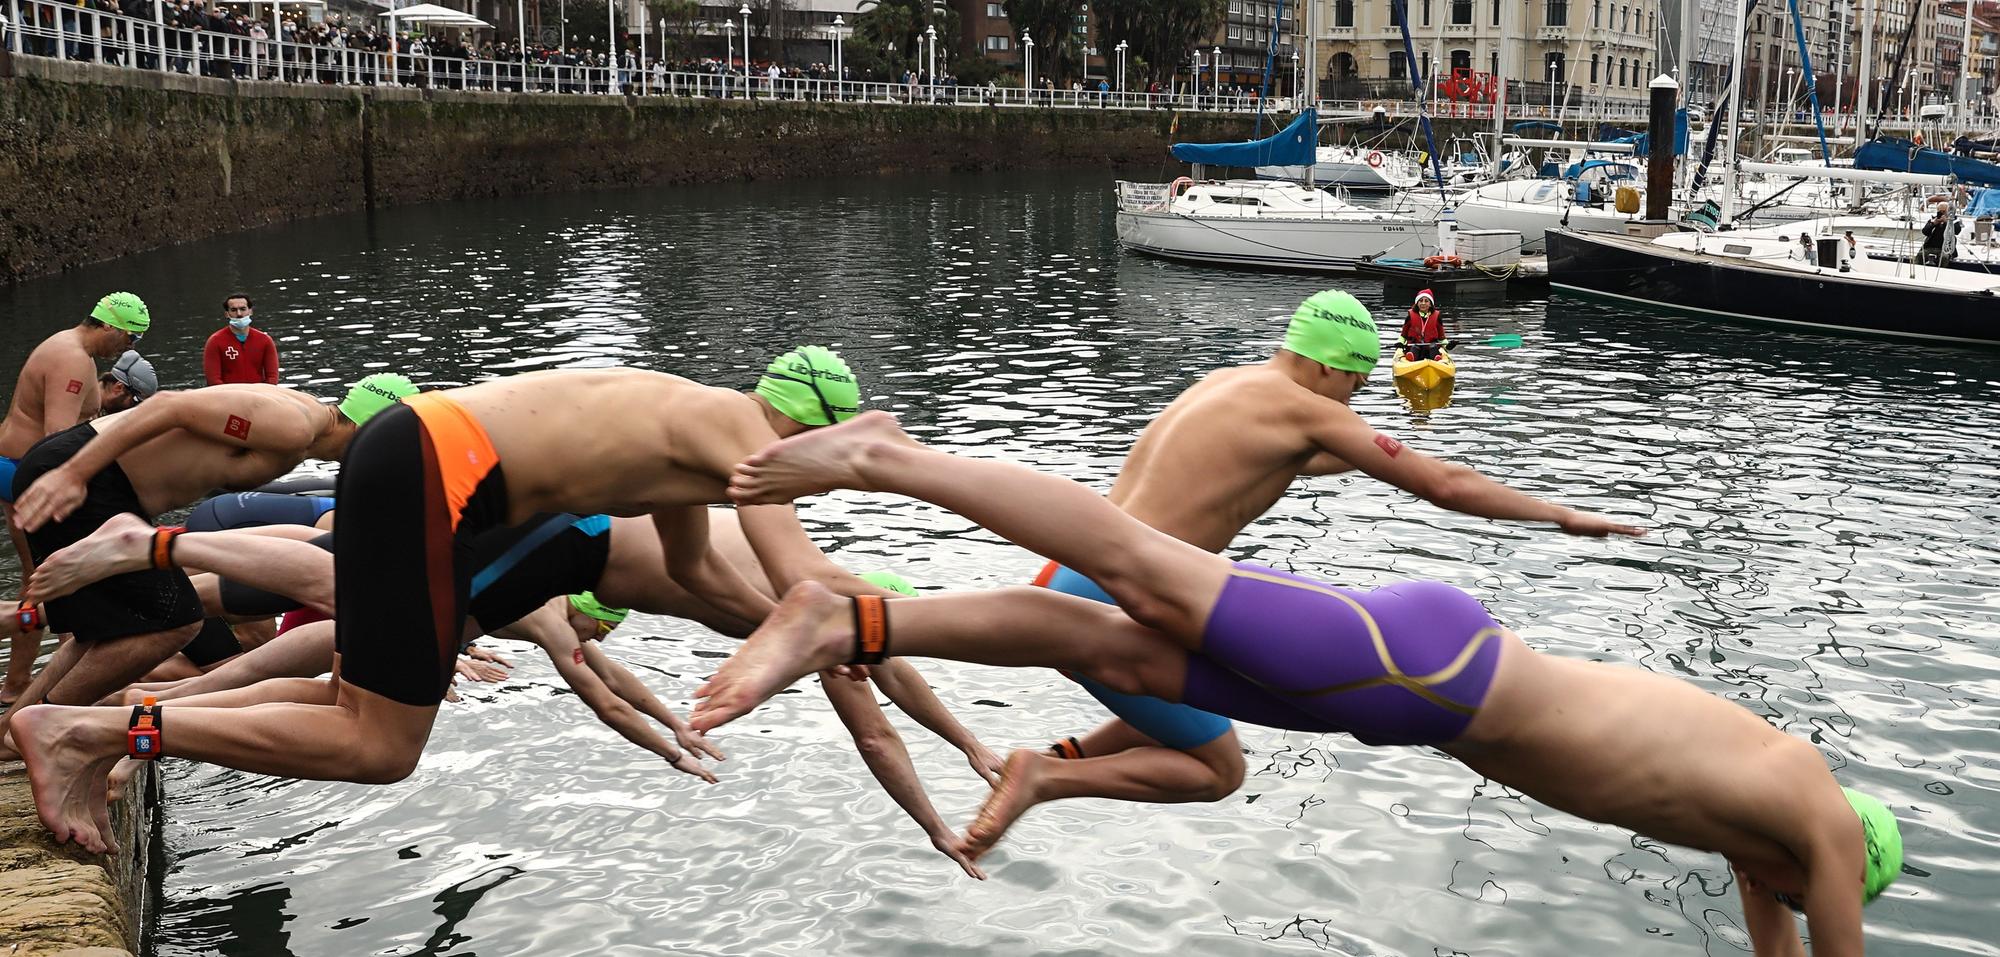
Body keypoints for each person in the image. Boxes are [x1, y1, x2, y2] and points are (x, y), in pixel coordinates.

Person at [691, 411, 1904, 954]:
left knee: (1098, 640)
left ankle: (848, 618)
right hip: (1425, 668)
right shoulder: (1810, 813)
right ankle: (888, 460)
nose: (1780, 902)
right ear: (1839, 858)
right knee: (1130, 565)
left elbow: (1779, 941)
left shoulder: (1762, 843)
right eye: (1803, 890)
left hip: (1400, 702)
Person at [8, 351, 980, 858]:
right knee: (372, 734)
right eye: (818, 465)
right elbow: (800, 590)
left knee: (360, 700)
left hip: (432, 462)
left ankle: (99, 727)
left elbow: (703, 581)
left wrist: (799, 645)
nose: (804, 490)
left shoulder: (696, 442)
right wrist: (831, 637)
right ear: (800, 431)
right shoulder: (741, 435)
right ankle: (88, 722)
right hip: (444, 475)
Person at [46, 505, 1002, 874]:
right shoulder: (814, 606)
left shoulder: (848, 618)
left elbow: (893, 720)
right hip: (547, 543)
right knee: (353, 653)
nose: (863, 679)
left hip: (543, 536)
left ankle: (112, 728)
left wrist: (959, 770)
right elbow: (598, 678)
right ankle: (147, 564)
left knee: (354, 680)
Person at [1010, 290, 1636, 844]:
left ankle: (1065, 754)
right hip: (1113, 599)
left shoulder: (1227, 386)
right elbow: (1443, 486)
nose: (1352, 401)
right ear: (1320, 363)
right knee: (1219, 771)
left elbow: (1310, 457)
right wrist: (1560, 515)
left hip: (1072, 576)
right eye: (1353, 387)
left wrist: (1393, 441)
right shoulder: (1303, 408)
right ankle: (1044, 777)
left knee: (1221, 686)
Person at [0, 374, 417, 725]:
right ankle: (45, 724)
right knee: (175, 623)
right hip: (86, 478)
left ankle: (13, 731)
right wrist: (74, 473)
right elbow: (169, 406)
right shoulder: (292, 425)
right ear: (371, 429)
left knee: (106, 626)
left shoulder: (301, 423)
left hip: (97, 480)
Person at [0, 293, 149, 706]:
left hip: (18, 465)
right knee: (57, 576)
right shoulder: (71, 360)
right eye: (131, 337)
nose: (129, 347)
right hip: (25, 470)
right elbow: (56, 439)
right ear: (111, 326)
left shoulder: (70, 350)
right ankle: (56, 682)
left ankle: (22, 682)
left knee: (47, 578)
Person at [202, 293, 279, 386]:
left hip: (259, 396)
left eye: (243, 309)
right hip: (228, 397)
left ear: (250, 311)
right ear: (227, 314)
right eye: (233, 310)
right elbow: (213, 380)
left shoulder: (265, 340)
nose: (239, 314)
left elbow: (272, 377)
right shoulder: (215, 341)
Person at [96, 351, 158, 416]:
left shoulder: (95, 408)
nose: (134, 409)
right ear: (118, 387)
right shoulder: (86, 409)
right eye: (135, 402)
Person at [1397, 289, 1449, 361]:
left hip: (1430, 348)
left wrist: (1448, 346)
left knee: (1433, 347)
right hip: (1414, 347)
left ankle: (1436, 358)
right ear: (1417, 303)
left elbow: (1442, 338)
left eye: (1426, 301)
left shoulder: (1437, 317)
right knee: (1415, 348)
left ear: (1430, 304)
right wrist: (1399, 343)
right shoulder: (1410, 317)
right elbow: (1403, 336)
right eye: (1421, 301)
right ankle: (1411, 357)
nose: (1423, 303)